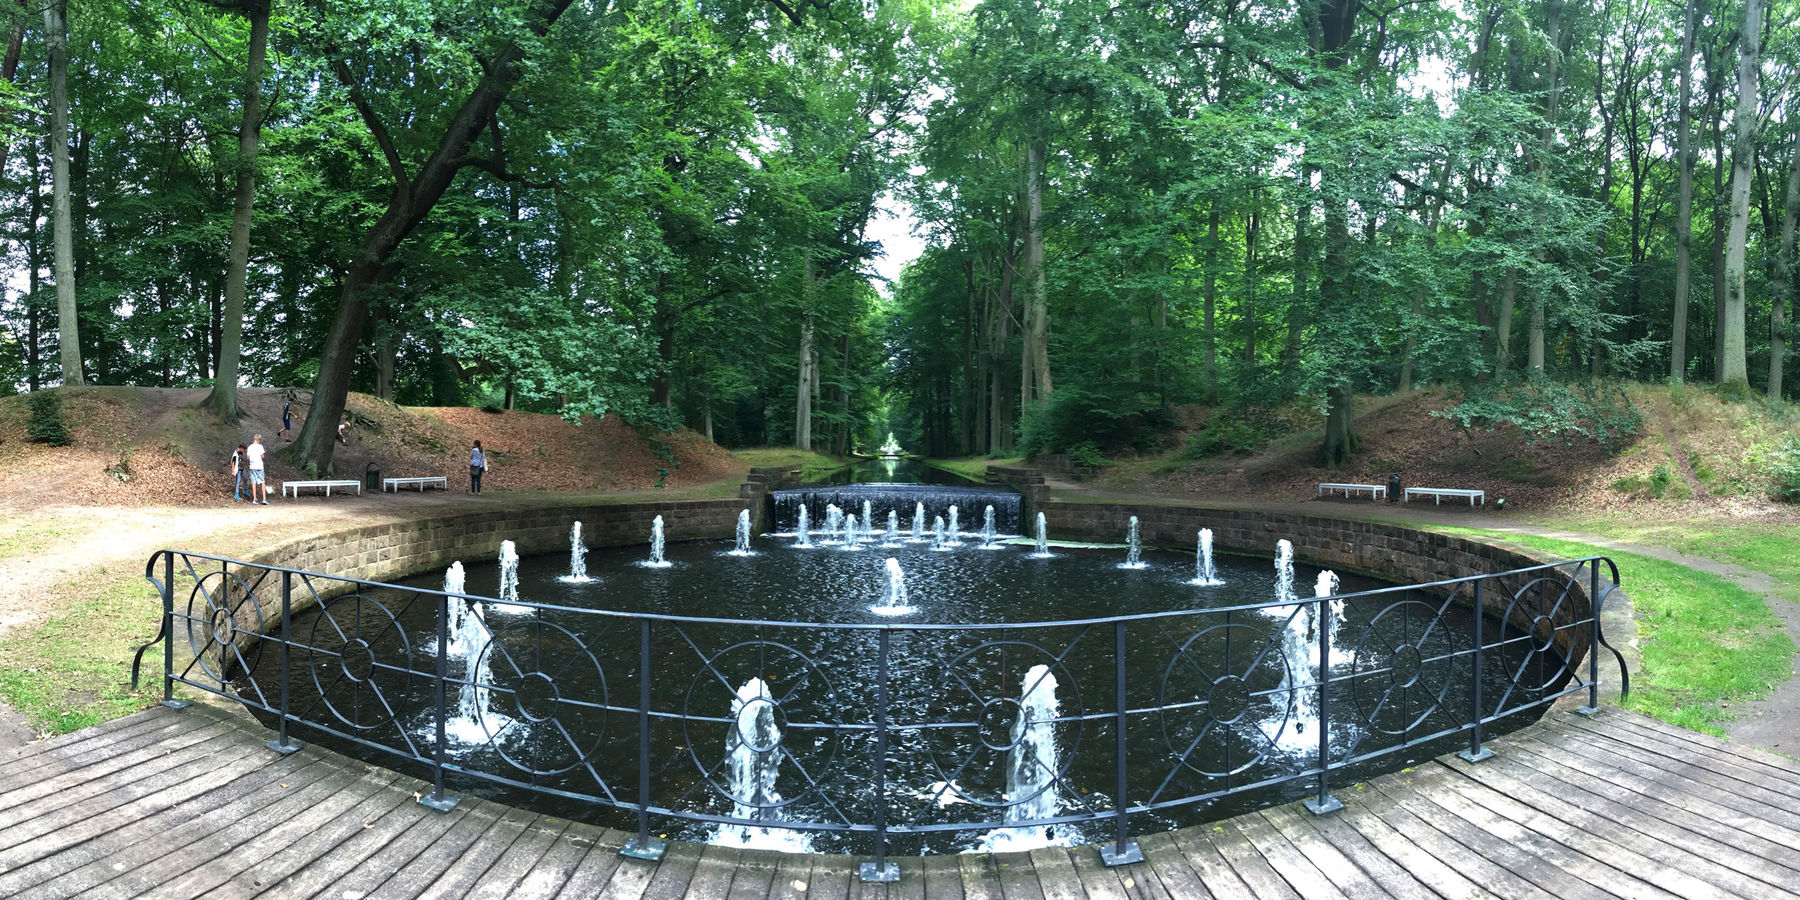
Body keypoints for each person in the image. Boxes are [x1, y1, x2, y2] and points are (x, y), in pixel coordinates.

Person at [245, 434, 269, 505]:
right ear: (259, 440)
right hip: (259, 466)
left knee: (253, 482)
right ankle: (264, 499)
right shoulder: (260, 446)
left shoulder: (249, 447)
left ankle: (255, 499)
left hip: (252, 466)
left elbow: (248, 457)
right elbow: (262, 456)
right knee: (262, 482)